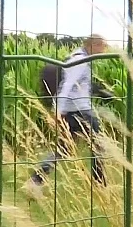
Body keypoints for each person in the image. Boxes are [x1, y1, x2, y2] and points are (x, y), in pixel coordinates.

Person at [24, 34, 113, 200]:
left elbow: (78, 86)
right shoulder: (79, 61)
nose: (104, 50)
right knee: (98, 146)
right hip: (80, 112)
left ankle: (35, 181)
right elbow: (66, 86)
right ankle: (100, 185)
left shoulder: (79, 58)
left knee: (63, 150)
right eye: (103, 46)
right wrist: (57, 110)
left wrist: (99, 91)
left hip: (74, 111)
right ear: (94, 45)